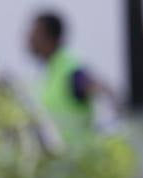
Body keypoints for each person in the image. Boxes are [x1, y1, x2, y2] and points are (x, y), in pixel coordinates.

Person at [27, 11, 116, 148]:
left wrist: (108, 132)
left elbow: (106, 92)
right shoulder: (46, 72)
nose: (30, 39)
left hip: (78, 159)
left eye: (35, 34)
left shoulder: (71, 71)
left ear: (50, 38)